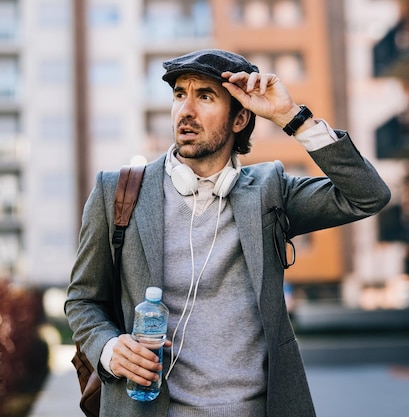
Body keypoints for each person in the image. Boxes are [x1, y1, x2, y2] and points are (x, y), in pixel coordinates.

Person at [65, 49, 391, 417]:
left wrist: (291, 117)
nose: (185, 111)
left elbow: (368, 196)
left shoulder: (270, 192)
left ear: (240, 119)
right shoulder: (118, 192)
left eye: (204, 96)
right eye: (179, 95)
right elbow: (82, 300)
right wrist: (109, 350)